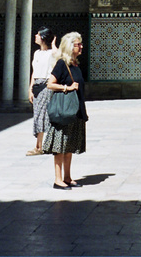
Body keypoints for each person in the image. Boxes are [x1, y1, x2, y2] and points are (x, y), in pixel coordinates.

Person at [43, 32, 88, 189]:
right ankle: (58, 179)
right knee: (60, 147)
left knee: (69, 146)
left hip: (75, 111)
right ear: (70, 47)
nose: (81, 46)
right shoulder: (62, 64)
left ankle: (68, 177)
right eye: (78, 44)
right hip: (63, 111)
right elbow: (50, 84)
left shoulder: (75, 64)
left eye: (81, 44)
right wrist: (66, 88)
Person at [27, 27, 57, 155]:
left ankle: (39, 147)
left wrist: (54, 44)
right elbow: (34, 72)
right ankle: (40, 145)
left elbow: (59, 55)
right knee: (38, 115)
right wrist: (30, 88)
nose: (35, 36)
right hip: (37, 85)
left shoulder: (51, 53)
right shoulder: (37, 53)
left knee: (42, 116)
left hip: (46, 85)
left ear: (44, 38)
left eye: (38, 35)